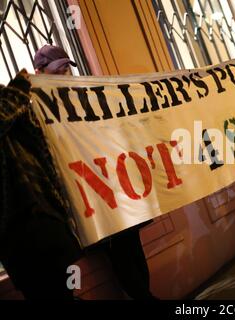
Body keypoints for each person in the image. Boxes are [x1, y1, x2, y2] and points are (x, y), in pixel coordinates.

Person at [33, 45, 157, 300]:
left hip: (115, 183)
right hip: (90, 193)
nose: (67, 73)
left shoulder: (84, 96)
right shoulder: (40, 110)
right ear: (40, 72)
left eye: (68, 67)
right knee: (121, 251)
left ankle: (146, 296)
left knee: (132, 246)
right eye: (60, 70)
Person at [0, 69, 82, 300]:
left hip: (46, 219)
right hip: (17, 234)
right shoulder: (13, 97)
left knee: (66, 291)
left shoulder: (11, 99)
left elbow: (44, 154)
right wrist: (18, 89)